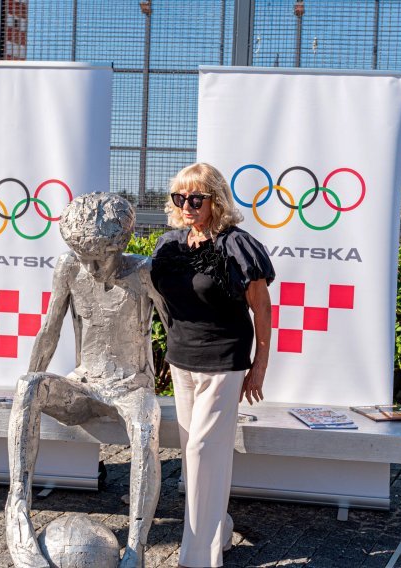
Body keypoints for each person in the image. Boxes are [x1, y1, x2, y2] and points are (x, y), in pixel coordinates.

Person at [5, 193, 168, 568]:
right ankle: (16, 509)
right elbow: (49, 331)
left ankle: (136, 548)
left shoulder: (143, 272)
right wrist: (32, 375)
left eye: (97, 257)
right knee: (28, 386)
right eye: (82, 255)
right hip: (85, 383)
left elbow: (176, 334)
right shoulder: (69, 267)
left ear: (120, 243)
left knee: (145, 430)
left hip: (131, 387)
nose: (89, 266)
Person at [150, 163, 274, 568]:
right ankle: (219, 527)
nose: (186, 205)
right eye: (179, 197)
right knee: (195, 455)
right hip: (182, 362)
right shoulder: (170, 245)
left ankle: (198, 558)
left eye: (196, 198)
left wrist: (259, 365)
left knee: (203, 450)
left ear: (214, 200)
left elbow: (261, 308)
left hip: (224, 361)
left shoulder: (237, 245)